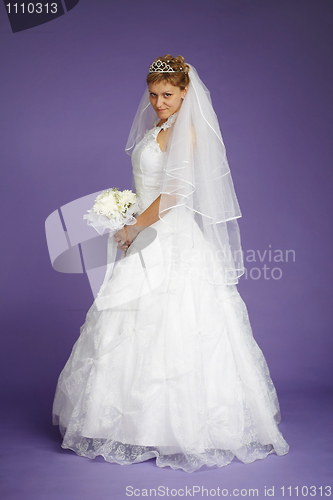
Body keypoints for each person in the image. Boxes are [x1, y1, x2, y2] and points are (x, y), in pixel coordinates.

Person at [52, 55, 289, 473]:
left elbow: (177, 192)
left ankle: (178, 428)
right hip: (148, 229)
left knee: (177, 321)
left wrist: (134, 227)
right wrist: (124, 211)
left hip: (169, 235)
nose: (159, 102)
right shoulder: (158, 129)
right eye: (154, 95)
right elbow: (152, 184)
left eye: (168, 95)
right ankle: (131, 424)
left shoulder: (187, 130)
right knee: (130, 324)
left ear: (185, 93)